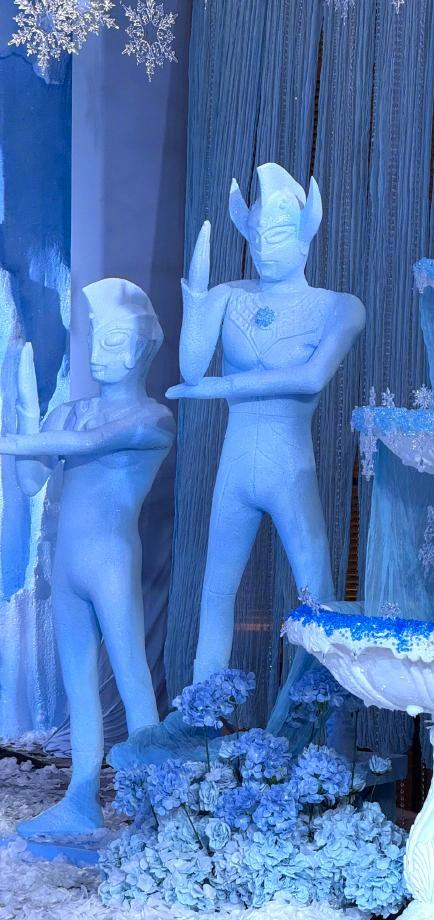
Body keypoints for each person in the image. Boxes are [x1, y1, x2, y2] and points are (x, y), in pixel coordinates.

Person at [166, 163, 365, 683]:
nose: (262, 248)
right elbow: (190, 370)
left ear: (304, 237)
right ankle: (201, 712)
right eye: (254, 236)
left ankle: (323, 718)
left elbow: (311, 376)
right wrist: (197, 296)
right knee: (216, 591)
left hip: (288, 465)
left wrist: (221, 388)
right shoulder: (230, 295)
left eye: (275, 235)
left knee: (317, 596)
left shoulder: (338, 307)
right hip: (236, 465)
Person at [0, 279, 174, 836]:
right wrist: (28, 414)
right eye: (97, 338)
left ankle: (155, 805)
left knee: (131, 675)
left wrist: (16, 439)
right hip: (68, 568)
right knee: (79, 685)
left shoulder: (151, 418)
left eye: (115, 340)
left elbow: (88, 446)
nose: (101, 352)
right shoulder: (69, 413)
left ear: (142, 348)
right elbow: (30, 481)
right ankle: (81, 797)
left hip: (111, 564)